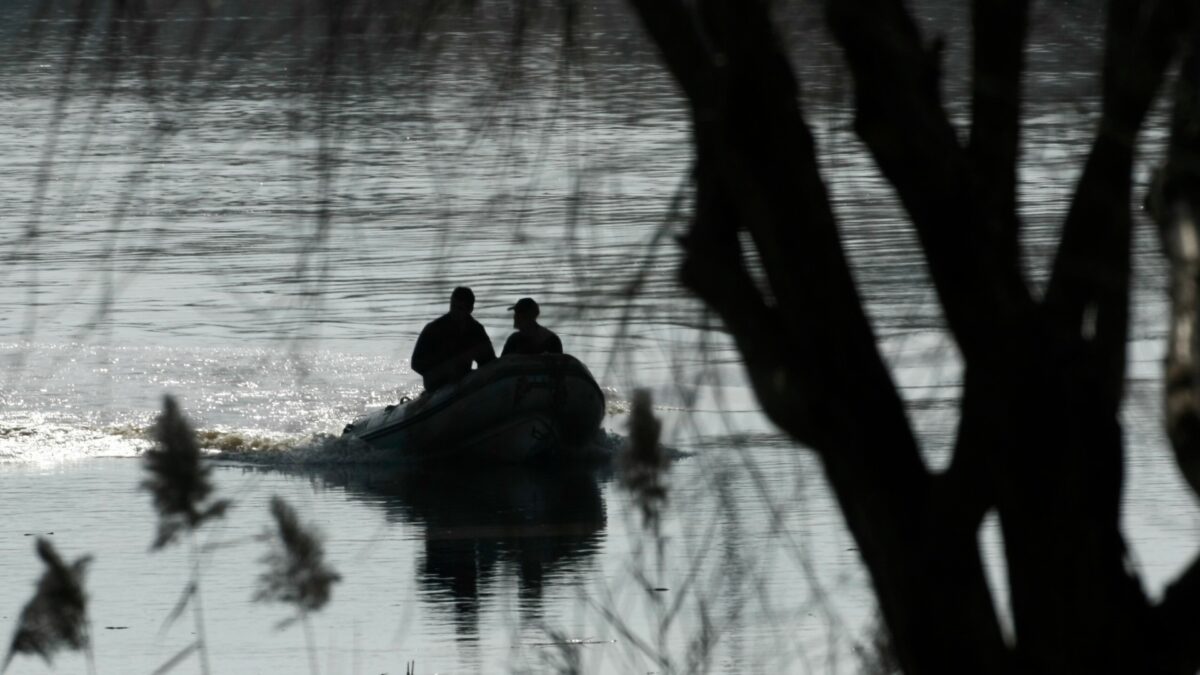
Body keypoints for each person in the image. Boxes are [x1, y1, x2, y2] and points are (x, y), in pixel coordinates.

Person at [411, 286, 496, 392]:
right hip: (437, 386)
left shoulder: (476, 330)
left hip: (464, 381)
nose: (454, 312)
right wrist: (445, 371)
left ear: (470, 309)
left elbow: (489, 361)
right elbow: (416, 363)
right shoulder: (434, 329)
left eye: (460, 308)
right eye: (453, 307)